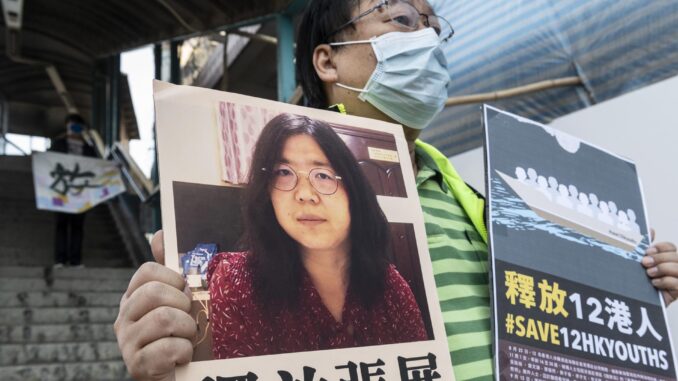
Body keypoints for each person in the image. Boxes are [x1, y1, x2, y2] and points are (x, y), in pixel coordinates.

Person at [114, 1, 678, 380]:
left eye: (435, 24)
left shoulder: (474, 202)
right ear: (327, 59)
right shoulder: (227, 278)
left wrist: (624, 288)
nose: (428, 37)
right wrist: (168, 353)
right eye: (402, 18)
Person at [209, 113, 426, 358]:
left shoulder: (391, 286)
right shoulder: (237, 281)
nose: (304, 194)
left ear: (354, 191)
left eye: (323, 175)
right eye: (283, 172)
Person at [50, 114, 97, 267]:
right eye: (72, 126)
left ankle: (75, 260)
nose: (75, 130)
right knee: (61, 225)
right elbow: (48, 162)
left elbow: (97, 168)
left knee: (78, 227)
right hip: (61, 191)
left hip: (81, 193)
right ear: (67, 126)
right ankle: (60, 259)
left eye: (78, 127)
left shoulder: (89, 149)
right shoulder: (58, 144)